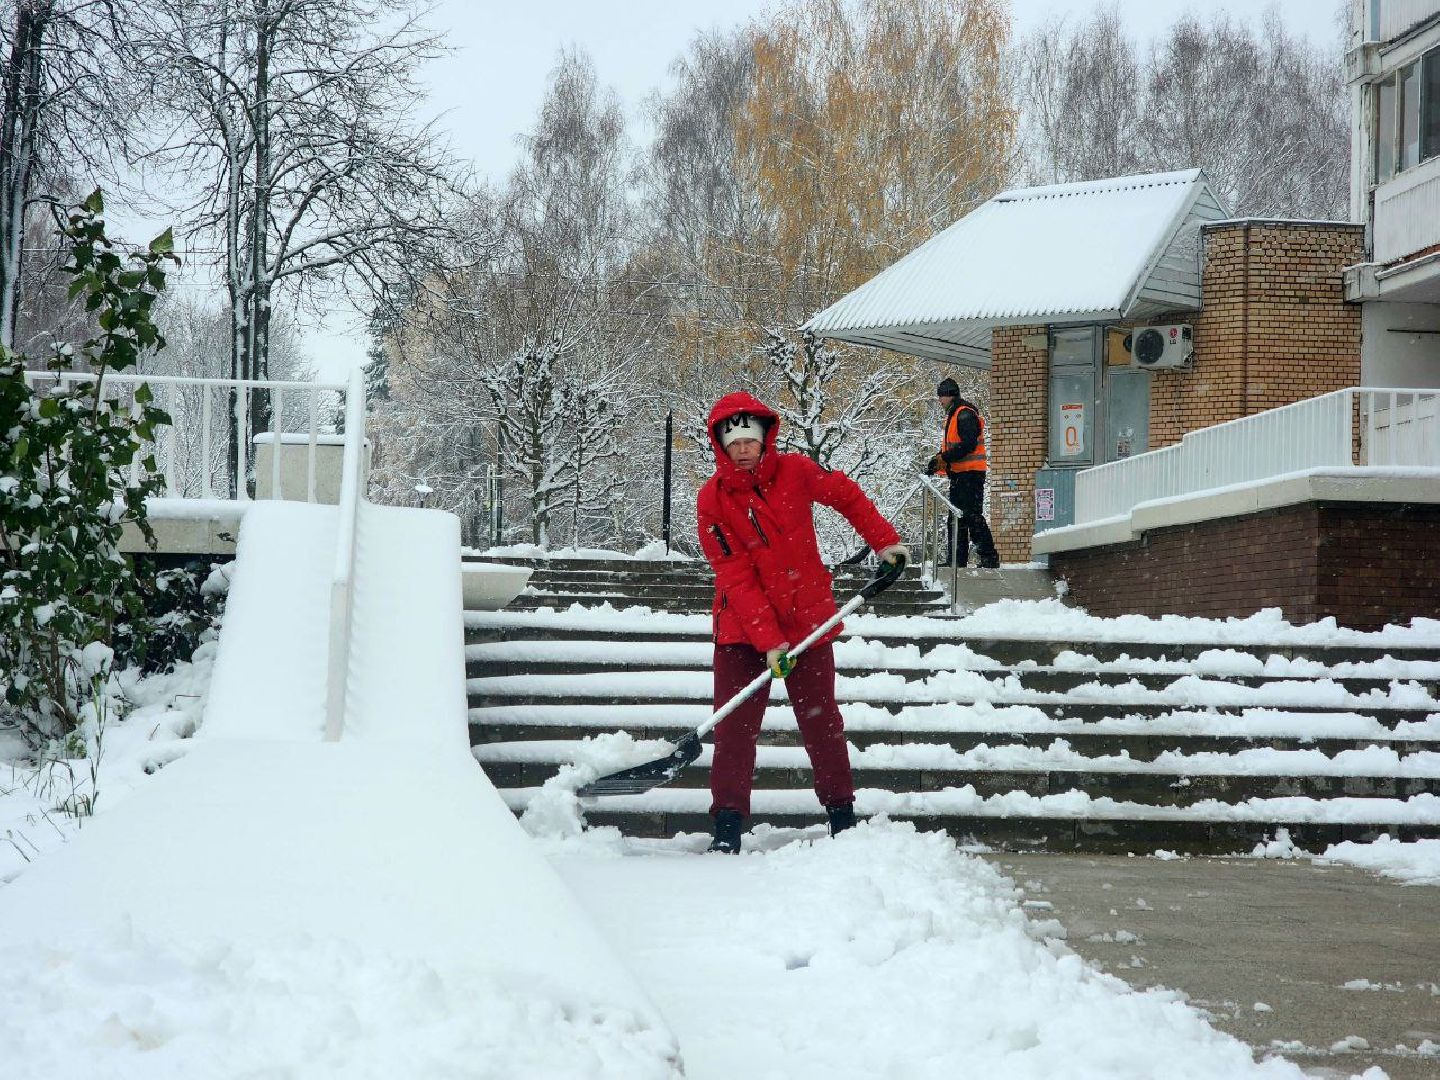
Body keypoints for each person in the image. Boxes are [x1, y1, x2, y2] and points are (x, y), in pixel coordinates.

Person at [696, 392, 908, 854]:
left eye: (751, 439)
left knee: (821, 722)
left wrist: (885, 542)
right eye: (734, 443)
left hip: (807, 620)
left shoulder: (795, 471)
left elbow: (846, 495)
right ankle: (727, 826)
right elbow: (734, 574)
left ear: (765, 437)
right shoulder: (711, 501)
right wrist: (769, 641)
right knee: (735, 731)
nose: (744, 449)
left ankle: (841, 816)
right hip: (740, 631)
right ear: (721, 446)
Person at [926, 376, 1000, 569]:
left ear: (950, 396)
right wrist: (939, 460)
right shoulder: (954, 414)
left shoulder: (964, 414)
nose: (940, 401)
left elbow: (968, 444)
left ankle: (988, 557)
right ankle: (956, 561)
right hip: (959, 475)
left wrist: (946, 458)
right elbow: (954, 446)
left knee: (971, 516)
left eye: (941, 396)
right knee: (957, 517)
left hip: (971, 475)